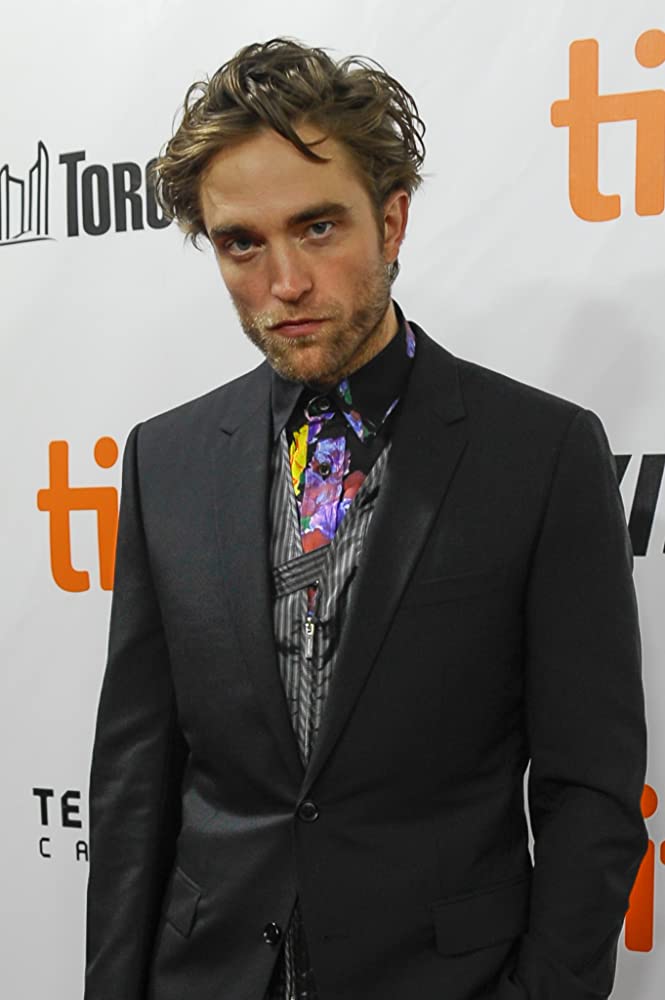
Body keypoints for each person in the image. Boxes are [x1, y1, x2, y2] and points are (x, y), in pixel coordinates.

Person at [84, 37, 648, 1000]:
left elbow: (589, 791)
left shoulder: (541, 453)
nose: (285, 284)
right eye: (241, 242)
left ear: (391, 220)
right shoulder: (164, 459)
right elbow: (135, 780)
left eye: (317, 227)